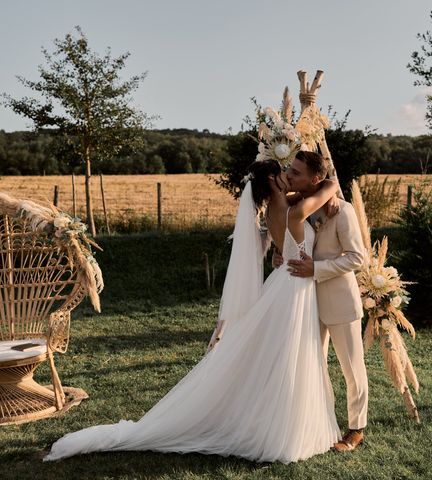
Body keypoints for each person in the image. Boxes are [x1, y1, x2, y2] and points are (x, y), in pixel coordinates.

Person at [44, 159, 342, 463]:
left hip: (288, 282)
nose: (289, 176)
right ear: (274, 183)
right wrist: (329, 181)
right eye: (284, 173)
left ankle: (279, 422)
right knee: (290, 356)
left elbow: (292, 211)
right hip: (294, 288)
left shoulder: (282, 206)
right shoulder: (292, 211)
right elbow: (323, 192)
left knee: (286, 355)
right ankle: (283, 432)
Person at [274, 151, 369, 452]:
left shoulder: (342, 211)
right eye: (291, 170)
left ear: (316, 179)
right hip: (306, 303)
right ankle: (320, 424)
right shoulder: (296, 207)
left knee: (352, 369)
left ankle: (356, 428)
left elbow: (357, 257)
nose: (290, 176)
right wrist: (282, 256)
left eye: (297, 173)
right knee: (313, 366)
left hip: (340, 301)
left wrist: (318, 269)